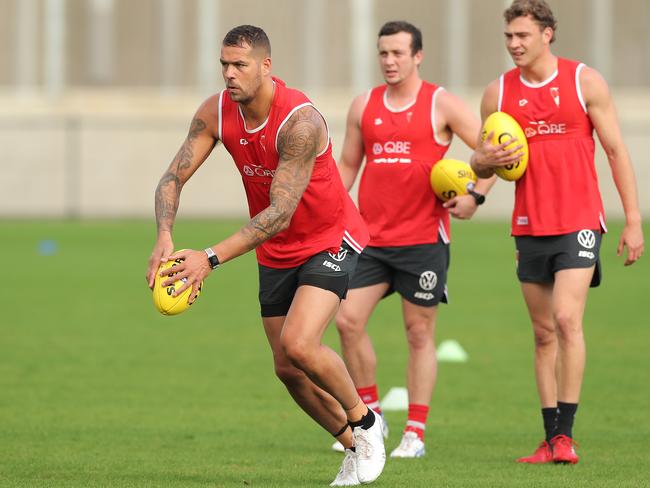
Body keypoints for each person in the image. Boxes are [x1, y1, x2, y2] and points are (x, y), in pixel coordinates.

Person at [145, 25, 386, 486]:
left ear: (266, 66)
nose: (230, 75)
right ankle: (353, 448)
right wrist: (165, 234)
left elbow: (279, 212)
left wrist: (208, 258)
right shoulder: (216, 111)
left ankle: (368, 424)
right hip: (275, 248)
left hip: (330, 236)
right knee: (286, 368)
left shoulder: (300, 122)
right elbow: (171, 178)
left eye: (240, 65)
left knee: (300, 343)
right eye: (224, 65)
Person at [470, 0, 644, 464]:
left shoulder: (583, 81)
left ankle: (566, 436)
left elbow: (615, 150)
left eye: (523, 36)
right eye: (509, 36)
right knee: (543, 332)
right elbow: (492, 160)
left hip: (580, 221)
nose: (514, 45)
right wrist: (474, 191)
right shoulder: (497, 94)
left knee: (567, 320)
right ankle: (549, 441)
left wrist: (632, 219)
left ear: (548, 34)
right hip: (529, 225)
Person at [333, 20, 495, 458]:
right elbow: (348, 164)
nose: (389, 61)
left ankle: (415, 433)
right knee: (347, 321)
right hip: (371, 238)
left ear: (417, 55)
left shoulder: (440, 104)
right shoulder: (363, 105)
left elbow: (489, 152)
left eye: (398, 53)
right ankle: (371, 418)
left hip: (423, 240)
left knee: (419, 333)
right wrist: (328, 209)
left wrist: (475, 197)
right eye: (383, 53)